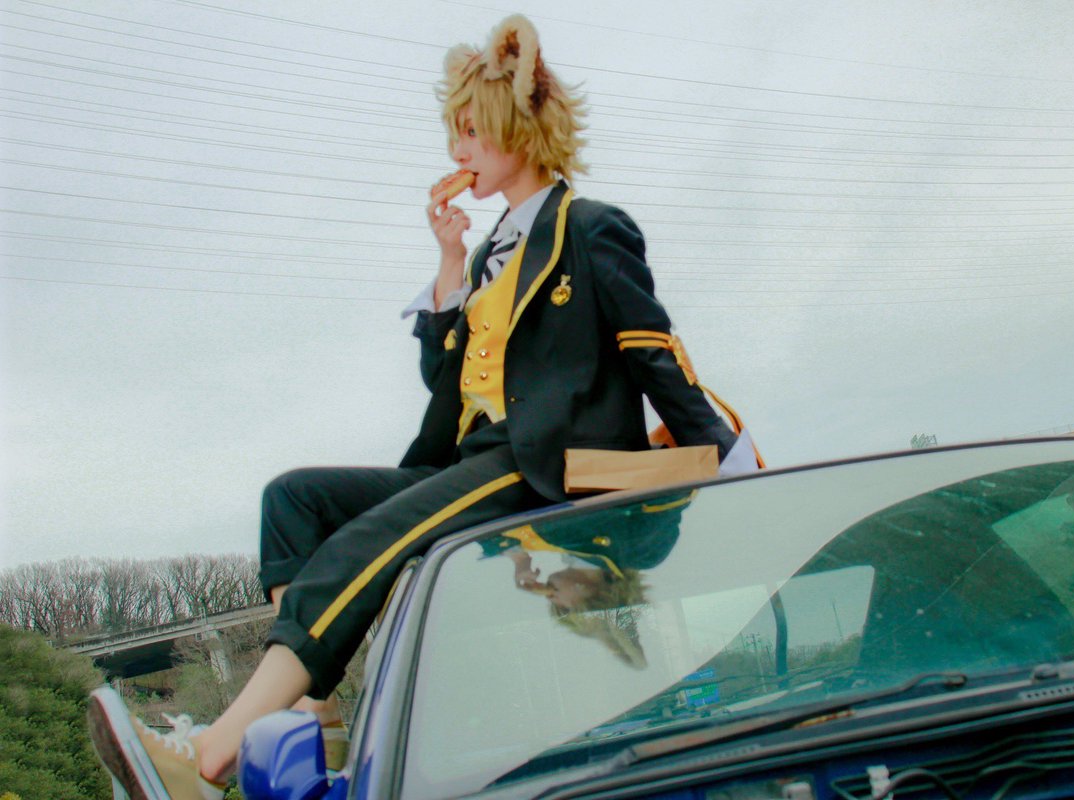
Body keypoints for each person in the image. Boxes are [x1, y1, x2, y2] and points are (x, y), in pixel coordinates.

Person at [88, 14, 755, 800]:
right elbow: (448, 384)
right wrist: (448, 265)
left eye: (471, 131)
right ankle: (312, 716)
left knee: (363, 546)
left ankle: (212, 760)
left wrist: (724, 453)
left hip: (544, 462)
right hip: (475, 456)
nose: (457, 150)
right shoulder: (489, 252)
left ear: (520, 127)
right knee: (294, 500)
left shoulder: (589, 227)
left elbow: (650, 346)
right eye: (454, 133)